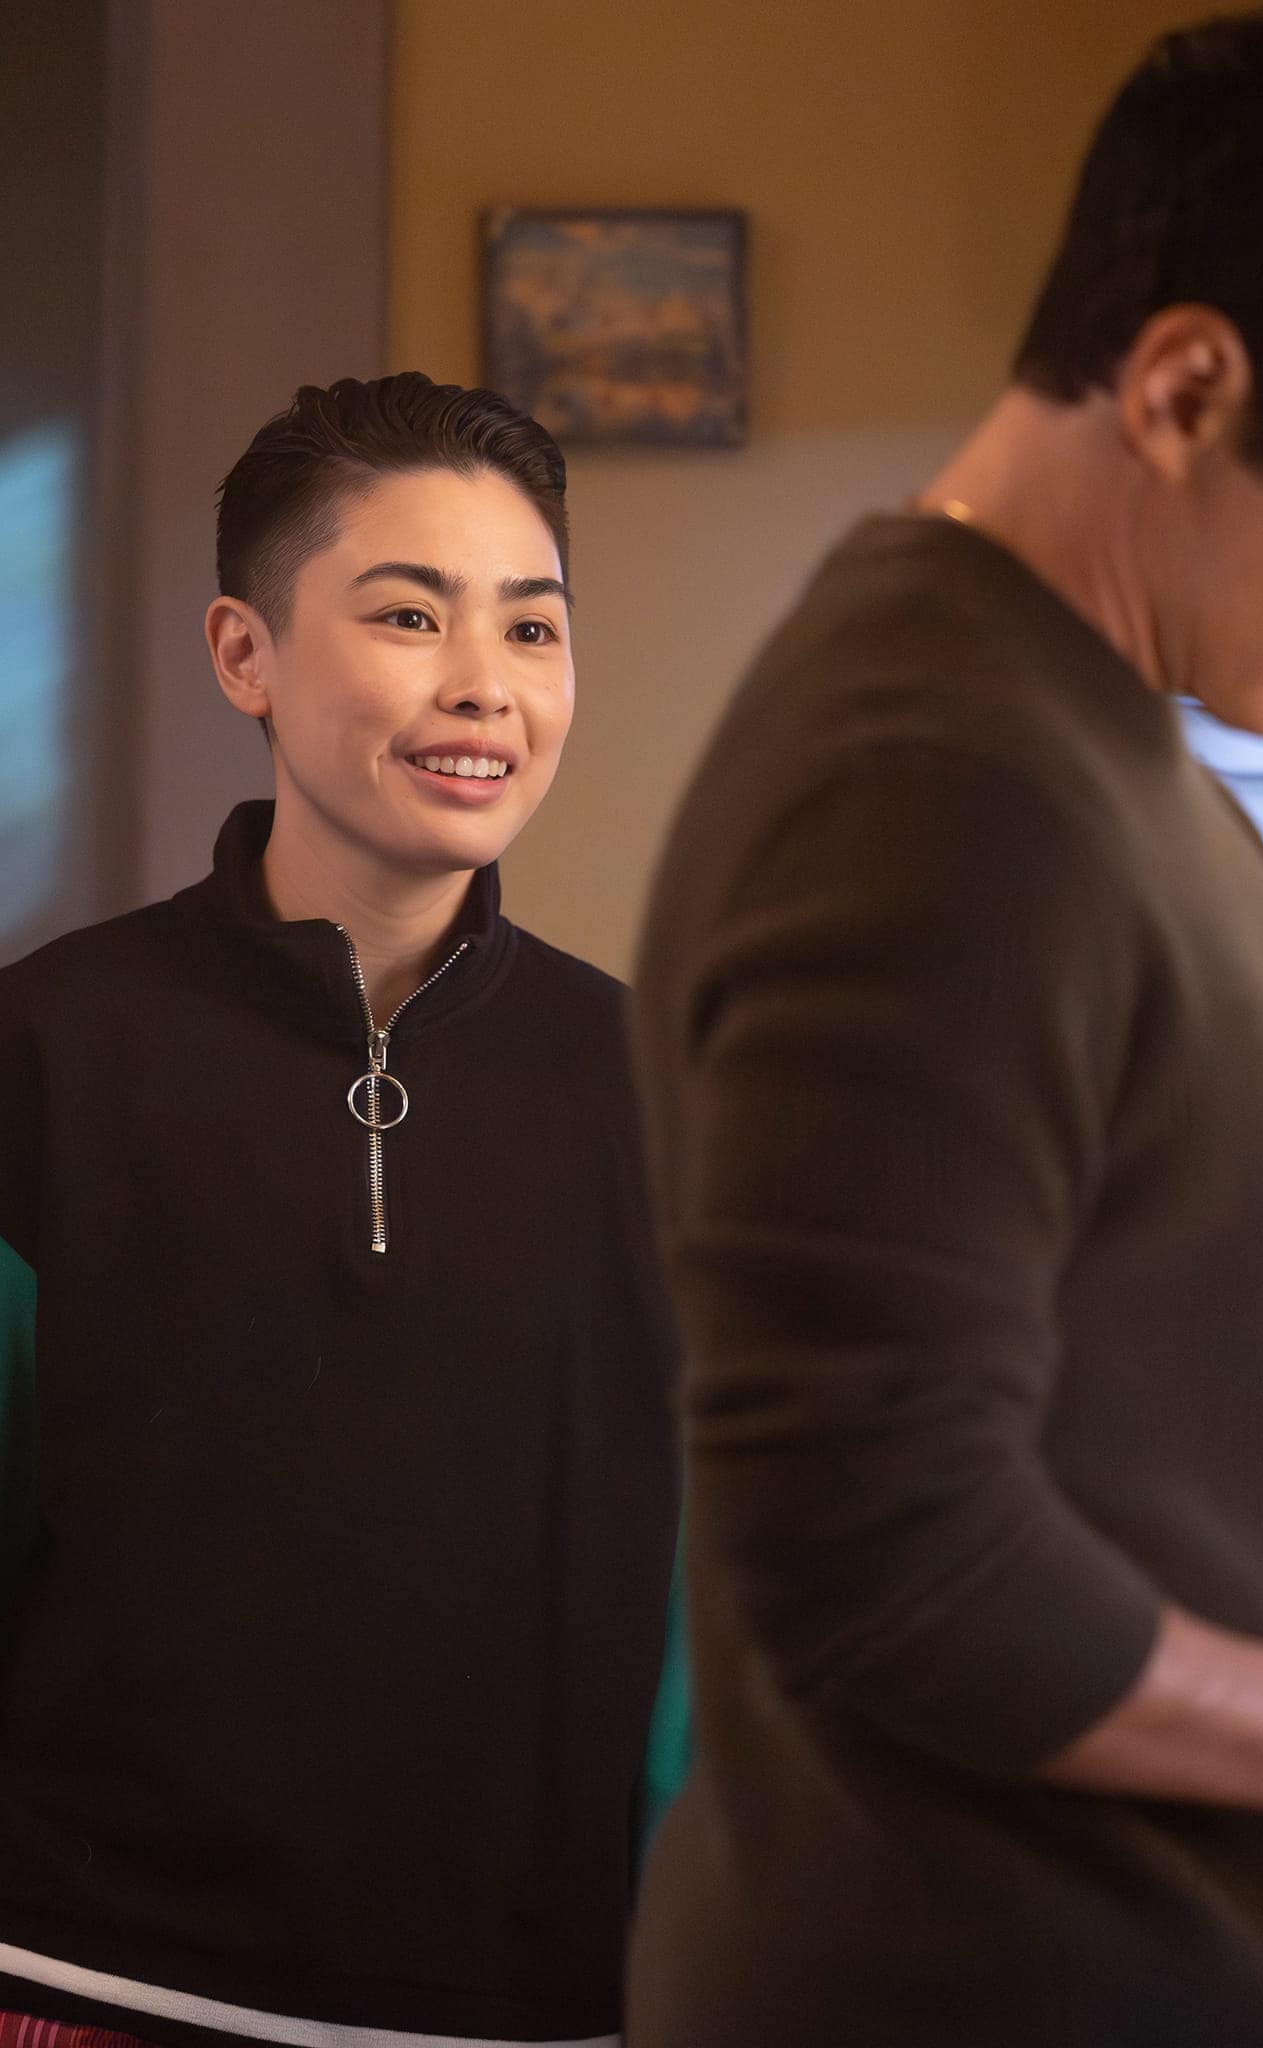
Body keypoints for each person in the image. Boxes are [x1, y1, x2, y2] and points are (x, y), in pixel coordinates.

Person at [624, 13, 1263, 2047]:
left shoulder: (1094, 729)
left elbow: (1257, 1373)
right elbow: (885, 1559)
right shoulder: (940, 786)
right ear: (1187, 386)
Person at [0, 373, 679, 2048]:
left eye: (533, 631)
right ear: (246, 655)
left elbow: (716, 1600)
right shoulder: (46, 1052)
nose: (484, 690)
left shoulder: (672, 1089)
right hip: (93, 1982)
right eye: (406, 614)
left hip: (544, 2007)